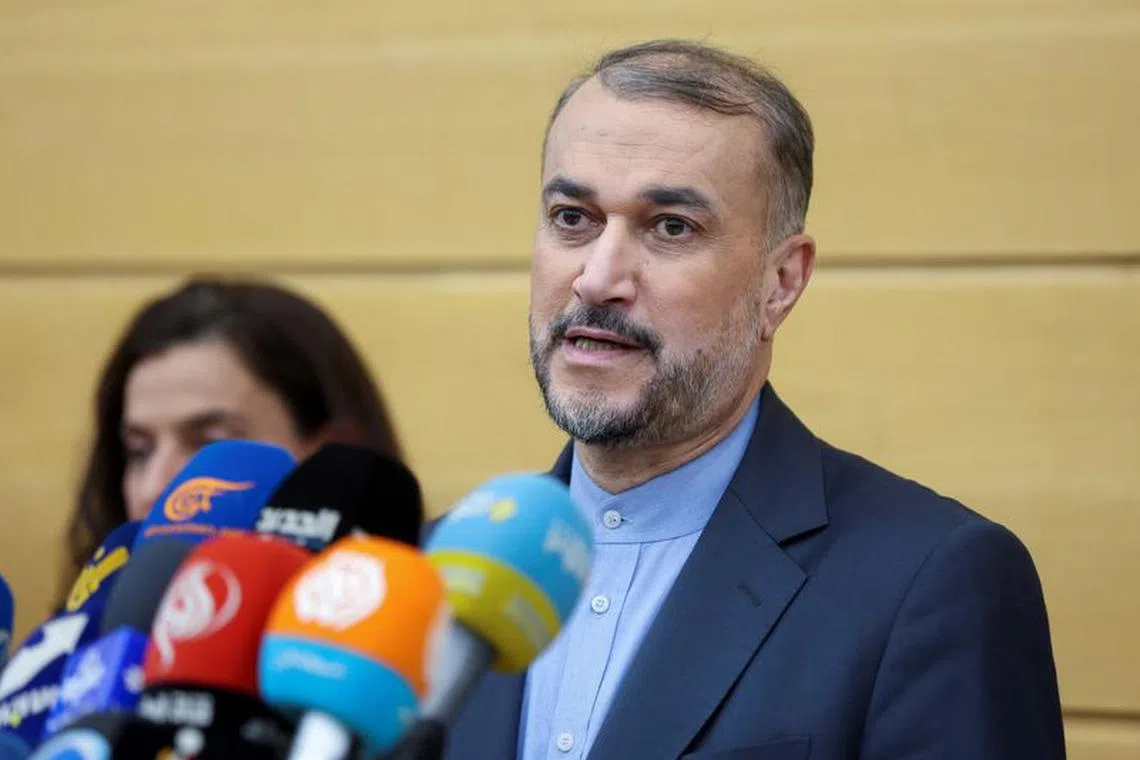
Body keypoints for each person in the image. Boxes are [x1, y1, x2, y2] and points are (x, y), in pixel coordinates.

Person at [444, 40, 1065, 759]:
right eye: (572, 218)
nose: (596, 278)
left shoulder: (930, 583)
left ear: (781, 283)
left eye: (670, 227)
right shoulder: (442, 567)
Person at [57, 276, 405, 606]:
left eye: (210, 446)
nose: (154, 487)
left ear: (333, 458)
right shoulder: (81, 654)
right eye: (139, 452)